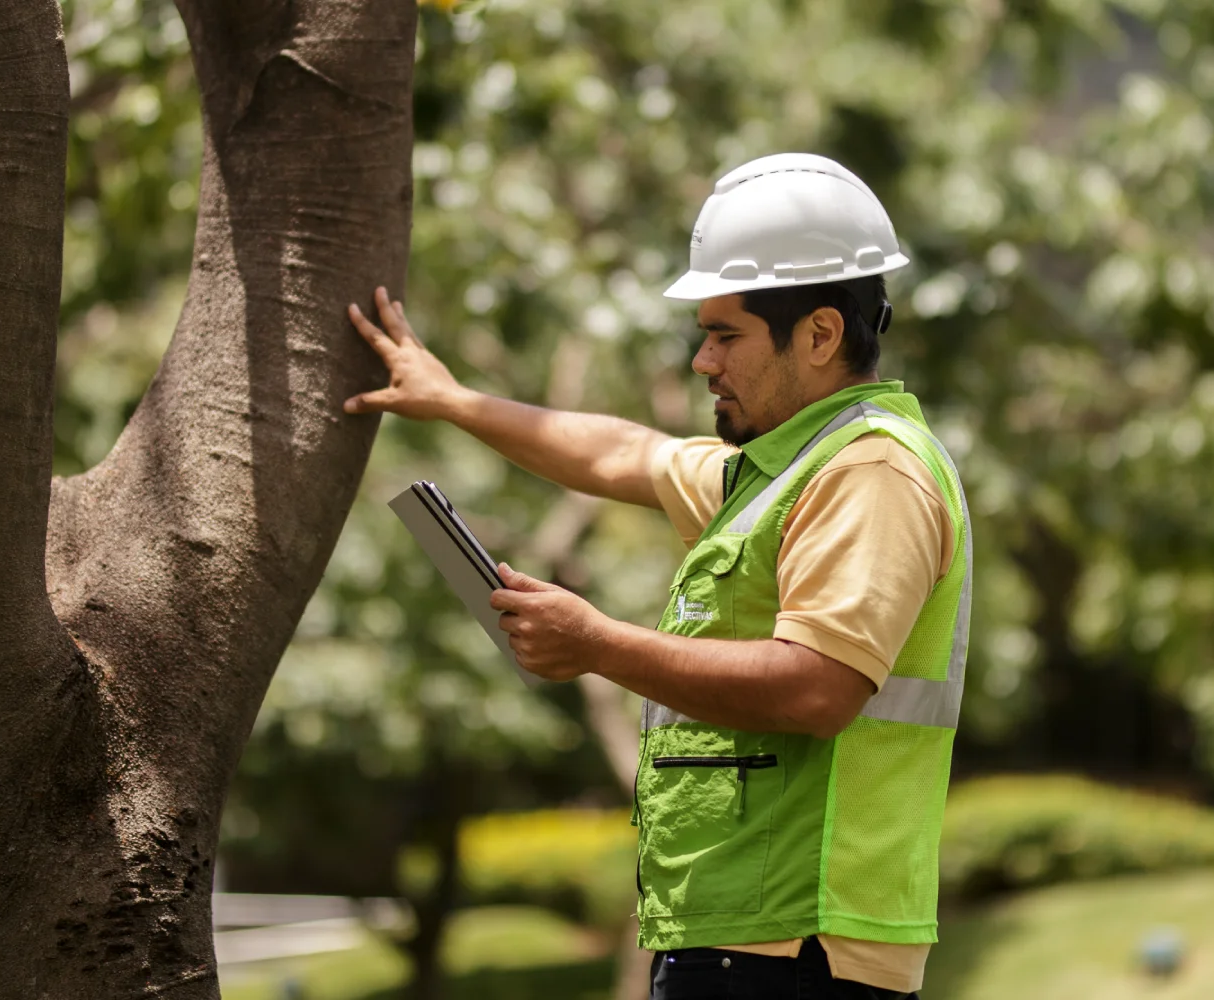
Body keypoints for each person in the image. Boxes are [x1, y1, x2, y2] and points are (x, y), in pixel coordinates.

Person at [343, 153, 969, 1000]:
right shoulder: (783, 471)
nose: (704, 362)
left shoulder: (868, 474)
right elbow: (622, 452)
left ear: (820, 335)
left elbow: (817, 688)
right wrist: (453, 400)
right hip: (749, 937)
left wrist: (596, 643)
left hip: (801, 947)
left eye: (726, 336)